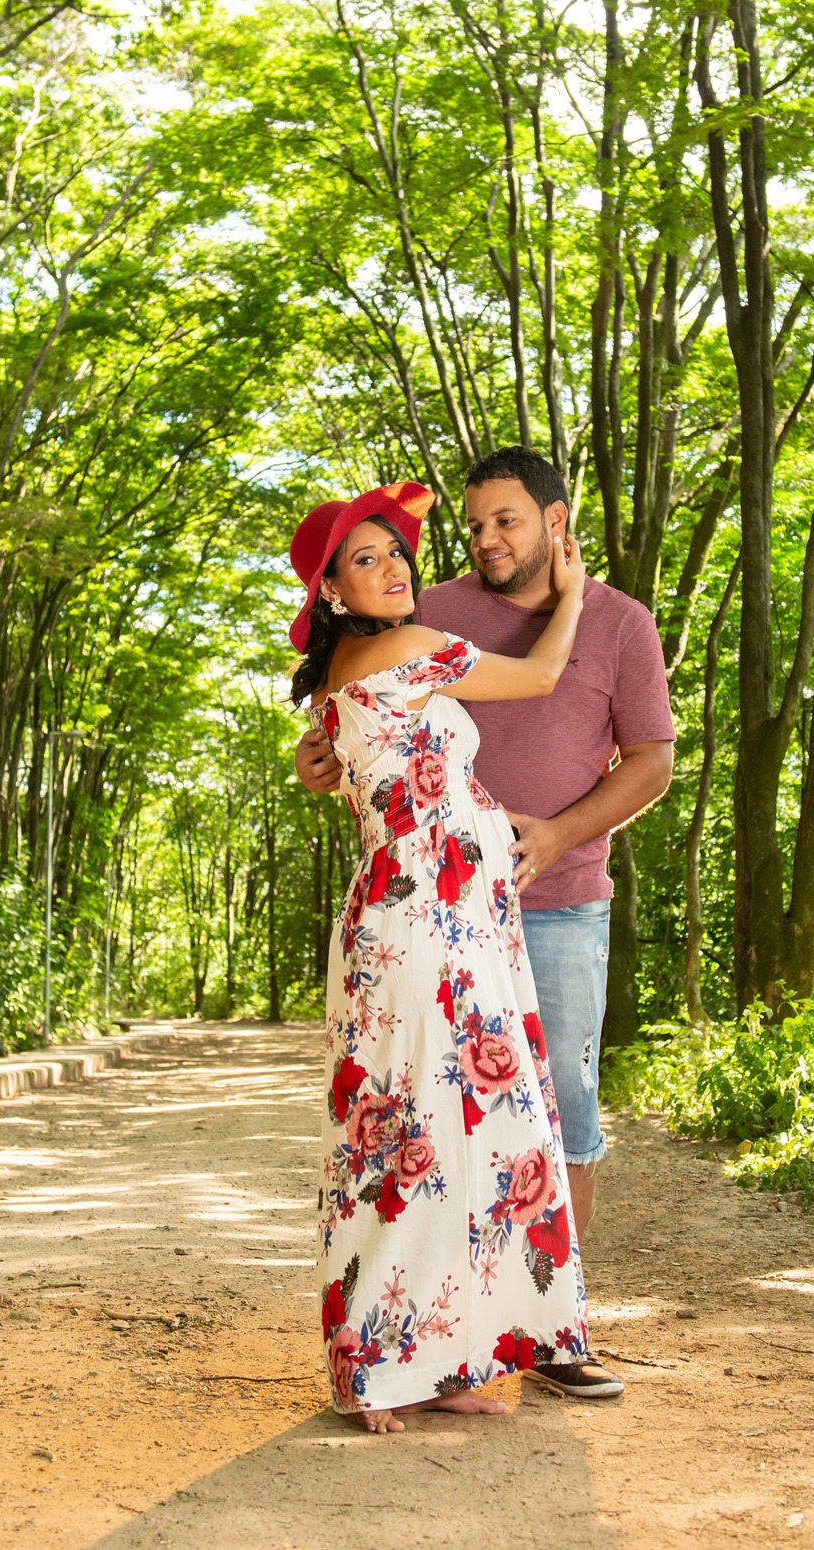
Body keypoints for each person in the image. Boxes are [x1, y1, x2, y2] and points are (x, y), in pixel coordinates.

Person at [289, 478, 623, 1433]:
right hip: (428, 920)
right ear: (333, 592)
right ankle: (374, 1369)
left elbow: (350, 767)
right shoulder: (408, 647)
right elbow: (543, 675)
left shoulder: (346, 670)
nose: (394, 566)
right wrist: (573, 590)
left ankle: (438, 1356)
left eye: (396, 551)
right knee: (416, 1136)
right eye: (366, 559)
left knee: (441, 1136)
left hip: (440, 915)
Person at [297, 447, 675, 1252]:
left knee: (559, 1107)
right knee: (443, 1116)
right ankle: (461, 1307)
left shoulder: (622, 622)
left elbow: (653, 763)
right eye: (474, 526)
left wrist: (558, 835)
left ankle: (554, 1313)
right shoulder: (424, 610)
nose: (486, 539)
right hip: (444, 911)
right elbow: (360, 714)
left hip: (562, 901)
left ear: (556, 520)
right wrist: (315, 757)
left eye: (506, 520)